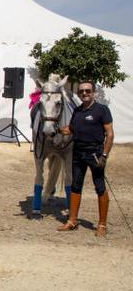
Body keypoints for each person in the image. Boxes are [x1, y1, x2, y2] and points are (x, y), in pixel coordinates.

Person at [58, 81, 114, 237]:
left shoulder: (102, 110)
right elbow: (71, 129)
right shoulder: (77, 111)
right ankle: (72, 221)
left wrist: (104, 155)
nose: (84, 93)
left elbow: (110, 134)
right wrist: (56, 129)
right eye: (81, 91)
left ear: (93, 92)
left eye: (87, 91)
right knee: (76, 186)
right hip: (78, 154)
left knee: (99, 187)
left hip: (95, 155)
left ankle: (102, 225)